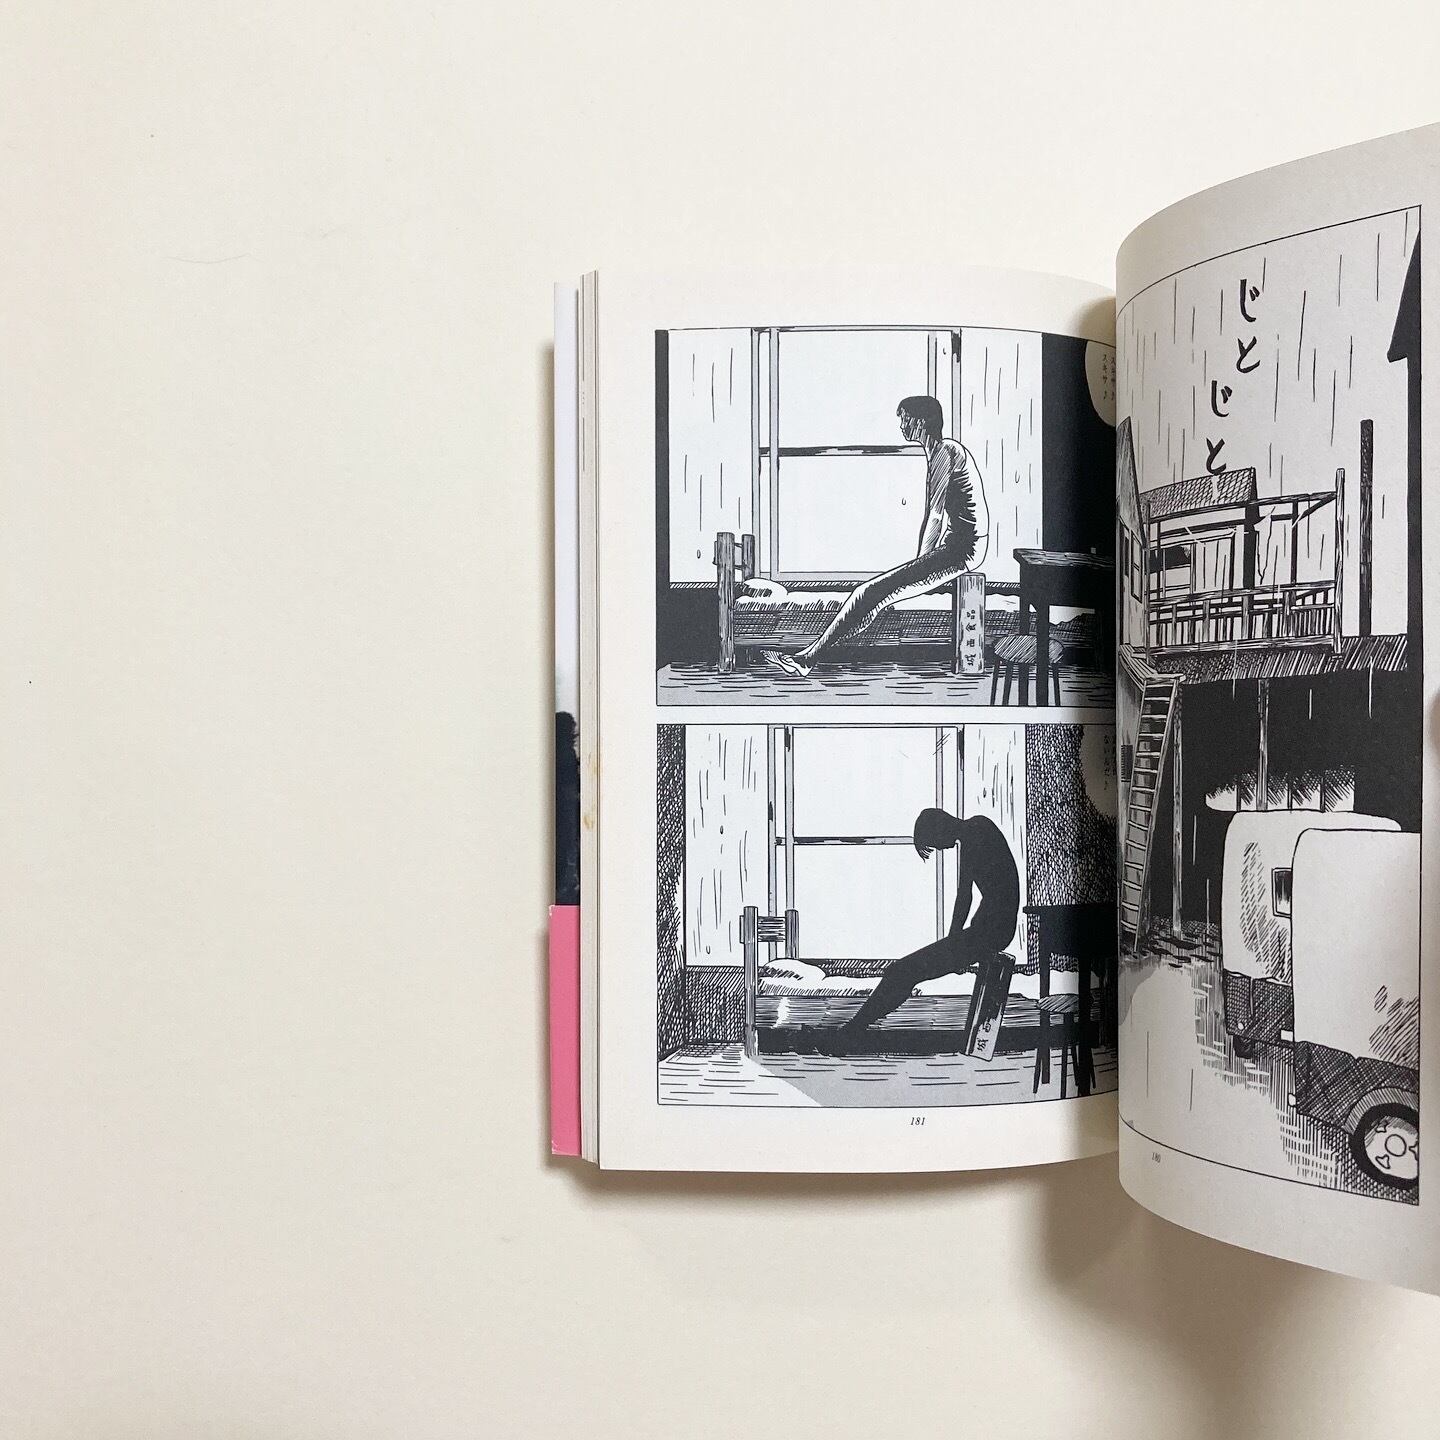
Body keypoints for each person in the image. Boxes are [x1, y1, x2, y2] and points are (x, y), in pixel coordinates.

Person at [763, 395, 988, 676]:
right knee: (871, 594)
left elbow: (935, 514)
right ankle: (807, 658)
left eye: (905, 419)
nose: (902, 425)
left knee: (868, 593)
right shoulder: (940, 451)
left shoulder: (945, 451)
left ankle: (807, 660)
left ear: (921, 422)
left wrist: (919, 566)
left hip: (963, 550)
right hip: (957, 545)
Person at [821, 807, 1019, 1049]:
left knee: (901, 971)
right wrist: (955, 940)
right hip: (991, 930)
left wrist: (954, 942)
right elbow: (974, 893)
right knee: (902, 971)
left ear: (940, 829)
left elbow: (965, 896)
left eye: (934, 843)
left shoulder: (975, 832)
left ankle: (851, 1034)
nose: (939, 848)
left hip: (989, 932)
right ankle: (853, 1030)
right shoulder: (975, 831)